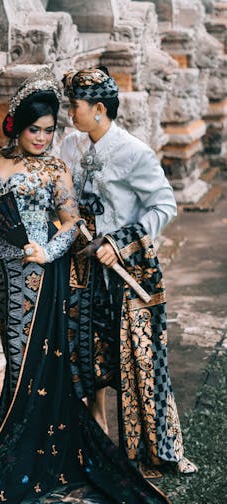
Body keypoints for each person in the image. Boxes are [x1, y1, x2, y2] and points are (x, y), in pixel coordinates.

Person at [0, 69, 196, 504]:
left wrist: (95, 244)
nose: (54, 130)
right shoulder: (52, 149)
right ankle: (61, 432)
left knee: (130, 364)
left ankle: (141, 450)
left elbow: (126, 210)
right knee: (77, 362)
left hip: (109, 273)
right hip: (60, 276)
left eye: (65, 116)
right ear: (20, 127)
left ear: (97, 109)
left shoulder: (119, 155)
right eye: (41, 126)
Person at [60, 67, 197, 476]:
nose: (71, 113)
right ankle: (97, 430)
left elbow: (164, 206)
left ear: (99, 109)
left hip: (127, 272)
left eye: (76, 106)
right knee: (86, 350)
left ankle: (149, 447)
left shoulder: (135, 153)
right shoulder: (70, 145)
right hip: (82, 270)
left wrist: (118, 243)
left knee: (136, 358)